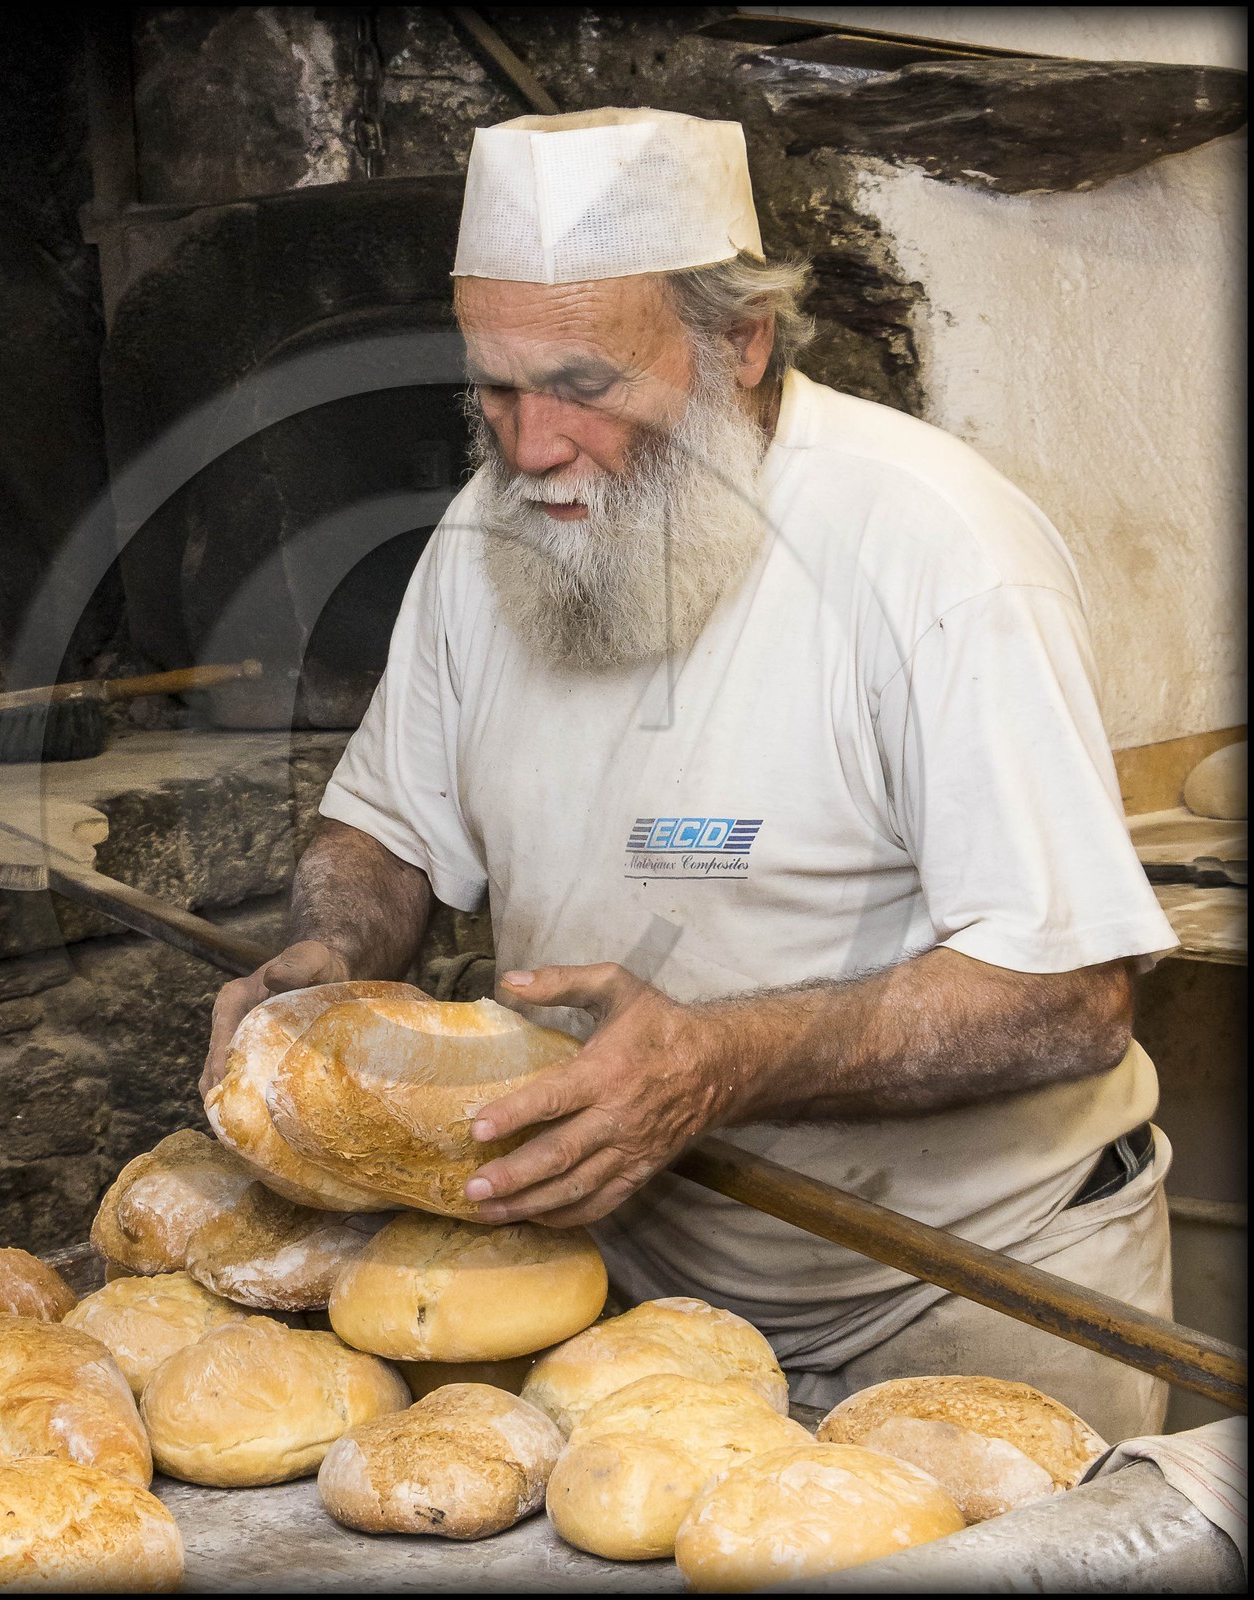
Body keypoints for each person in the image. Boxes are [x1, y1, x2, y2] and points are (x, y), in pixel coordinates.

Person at [202, 109, 1178, 1440]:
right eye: (494, 386)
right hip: (633, 1310)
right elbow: (389, 835)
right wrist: (331, 956)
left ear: (739, 344)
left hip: (969, 1292)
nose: (530, 444)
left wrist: (714, 1060)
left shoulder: (936, 555)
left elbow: (1067, 996)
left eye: (583, 384)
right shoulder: (483, 538)